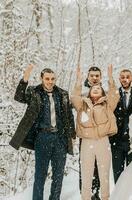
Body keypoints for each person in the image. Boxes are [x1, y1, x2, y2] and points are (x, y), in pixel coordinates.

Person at [9, 64, 75, 200]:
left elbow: (69, 115)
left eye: (52, 79)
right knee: (40, 174)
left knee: (58, 174)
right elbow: (19, 97)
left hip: (60, 139)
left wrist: (72, 135)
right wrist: (25, 78)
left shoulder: (62, 94)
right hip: (42, 137)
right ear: (41, 78)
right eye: (47, 79)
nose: (50, 81)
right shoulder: (34, 92)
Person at [71, 64, 119, 200]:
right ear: (89, 92)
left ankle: (104, 197)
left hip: (103, 141)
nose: (96, 88)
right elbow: (74, 97)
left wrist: (110, 79)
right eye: (94, 88)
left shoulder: (107, 104)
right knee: (86, 174)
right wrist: (79, 80)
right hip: (86, 142)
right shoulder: (83, 104)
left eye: (99, 88)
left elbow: (115, 95)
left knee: (104, 174)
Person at [109, 69, 132, 183]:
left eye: (127, 77)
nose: (125, 79)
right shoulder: (113, 95)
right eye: (122, 77)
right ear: (119, 79)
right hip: (117, 140)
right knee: (118, 174)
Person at [78, 66, 102, 199]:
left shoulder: (105, 93)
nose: (94, 78)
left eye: (97, 75)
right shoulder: (81, 93)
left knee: (99, 167)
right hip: (86, 137)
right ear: (88, 77)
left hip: (101, 137)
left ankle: (96, 194)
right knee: (85, 166)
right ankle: (85, 194)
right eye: (92, 75)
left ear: (100, 77)